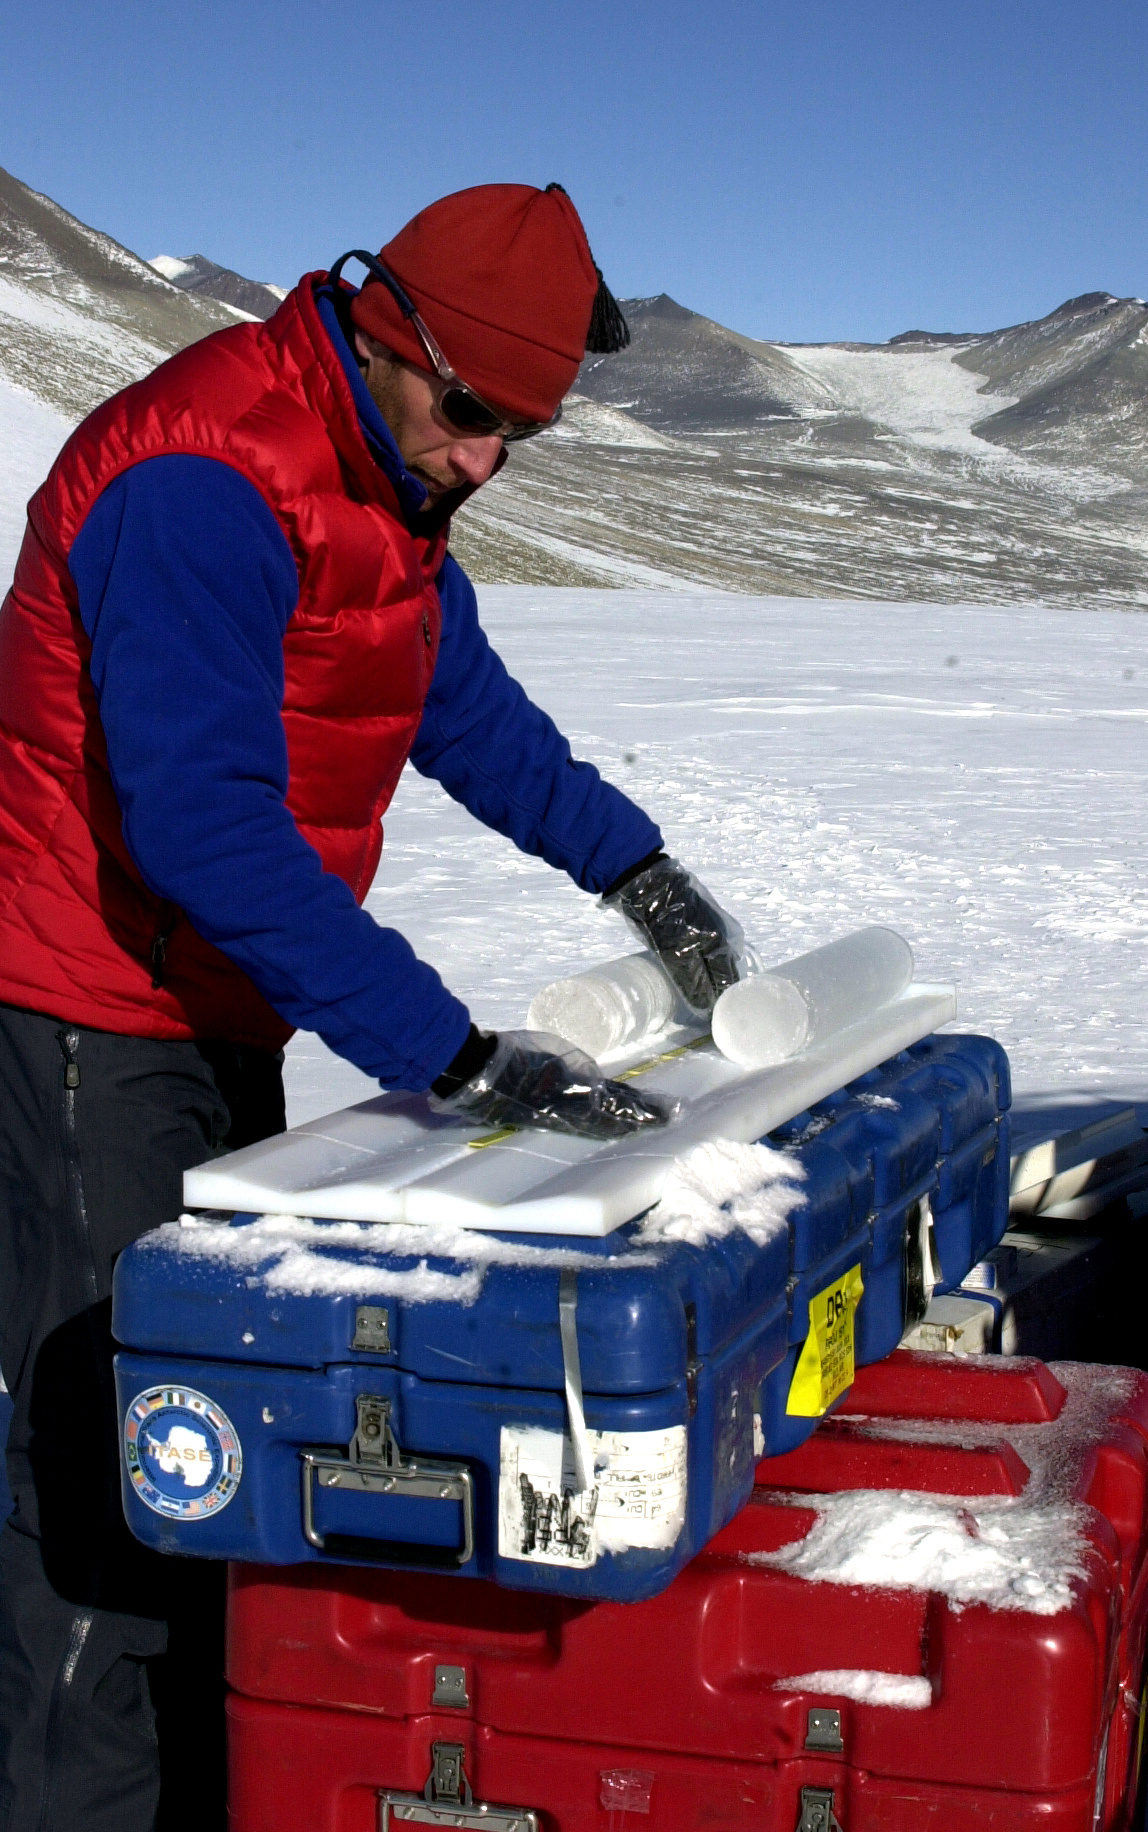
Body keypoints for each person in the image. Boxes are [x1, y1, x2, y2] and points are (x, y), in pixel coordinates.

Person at [0, 182, 741, 1828]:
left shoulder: (390, 494)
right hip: (79, 1007)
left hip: (210, 1004)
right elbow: (204, 828)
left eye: (519, 439)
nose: (484, 461)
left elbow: (459, 708)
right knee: (104, 1459)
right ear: (384, 328)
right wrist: (460, 1059)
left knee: (194, 1425)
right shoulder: (204, 479)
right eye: (471, 413)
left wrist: (641, 874)